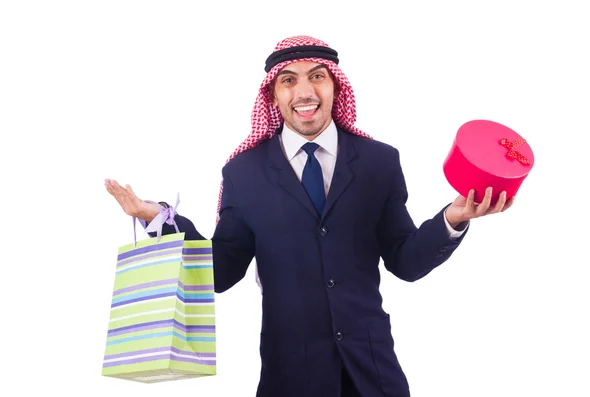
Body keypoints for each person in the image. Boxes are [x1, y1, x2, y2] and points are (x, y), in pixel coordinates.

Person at [105, 35, 514, 397]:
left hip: (372, 374)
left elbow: (405, 261)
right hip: (290, 374)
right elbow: (222, 271)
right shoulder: (244, 173)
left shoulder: (378, 162)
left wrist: (453, 218)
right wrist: (159, 218)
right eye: (290, 80)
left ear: (335, 86)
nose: (304, 91)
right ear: (274, 95)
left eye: (317, 76)